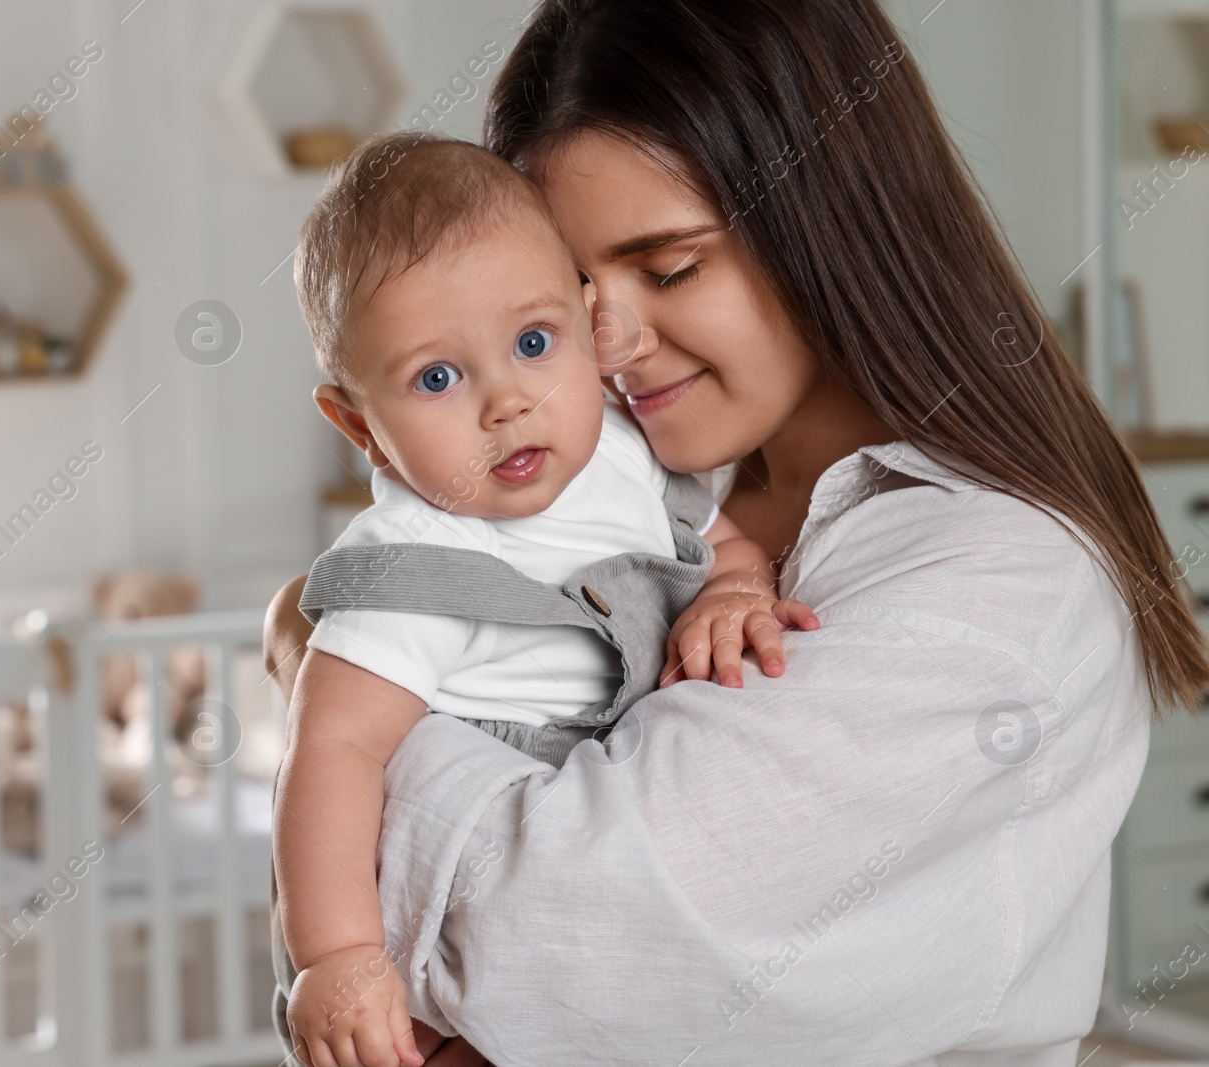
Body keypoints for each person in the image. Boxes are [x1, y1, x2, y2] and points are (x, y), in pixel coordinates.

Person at [264, 0, 1209, 1063]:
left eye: (669, 269)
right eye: (567, 302)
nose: (607, 343)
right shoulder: (646, 491)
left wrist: (327, 672)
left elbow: (573, 931)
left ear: (827, 224)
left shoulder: (997, 575)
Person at [273, 132, 817, 1067]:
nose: (507, 402)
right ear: (360, 423)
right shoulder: (413, 557)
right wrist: (337, 953)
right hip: (454, 901)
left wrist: (732, 588)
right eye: (437, 378)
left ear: (585, 317)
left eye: (533, 342)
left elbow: (718, 544)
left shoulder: (617, 452)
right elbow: (333, 750)